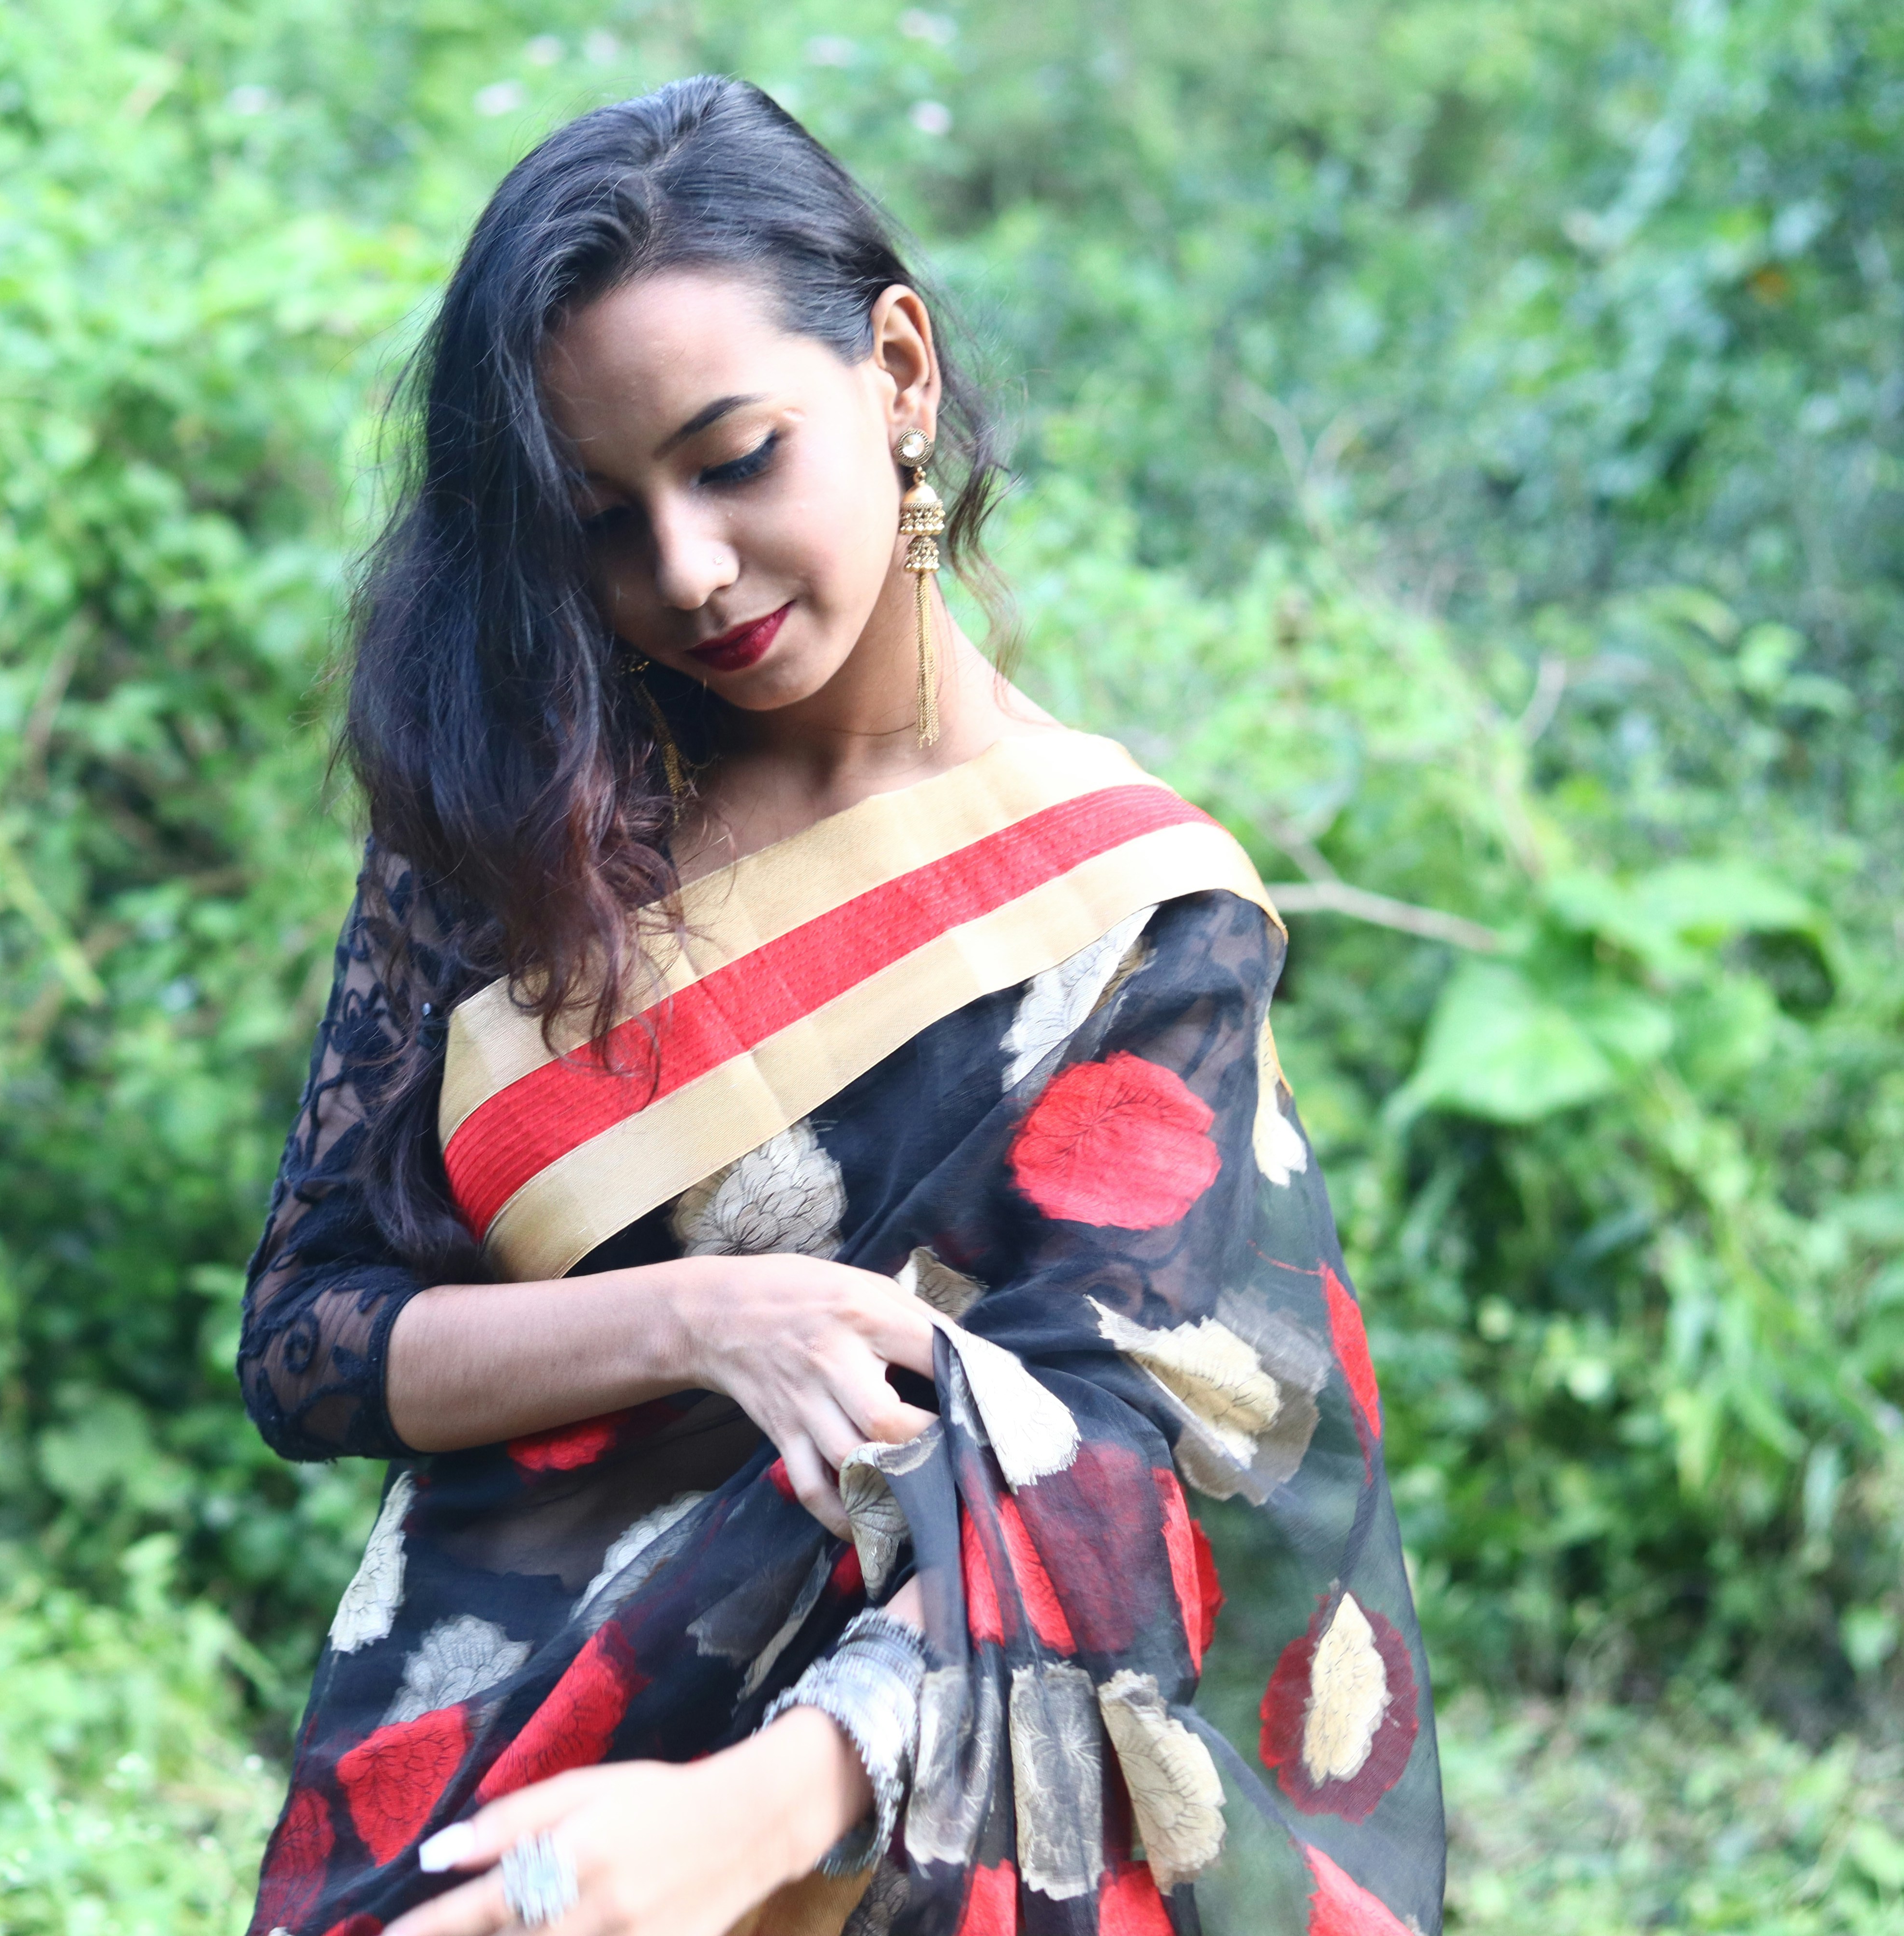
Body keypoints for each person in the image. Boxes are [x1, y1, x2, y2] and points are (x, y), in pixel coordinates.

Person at [236, 76, 1443, 1936]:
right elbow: (312, 1341)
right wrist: (714, 1316)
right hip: (489, 1786)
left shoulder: (1132, 916)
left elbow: (1115, 1481)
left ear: (897, 372)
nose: (687, 570)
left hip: (897, 1824)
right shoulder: (526, 815)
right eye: (605, 518)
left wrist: (733, 1822)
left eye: (733, 460)